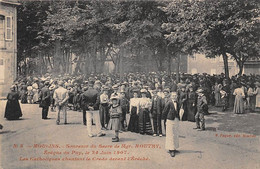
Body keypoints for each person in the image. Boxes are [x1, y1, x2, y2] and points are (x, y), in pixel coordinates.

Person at [162, 89, 180, 158]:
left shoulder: (177, 102)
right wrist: (165, 120)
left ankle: (174, 147)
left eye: (175, 95)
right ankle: (171, 149)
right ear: (170, 96)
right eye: (173, 96)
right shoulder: (169, 102)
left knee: (175, 133)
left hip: (176, 119)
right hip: (170, 120)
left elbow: (177, 110)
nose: (174, 97)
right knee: (170, 134)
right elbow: (164, 112)